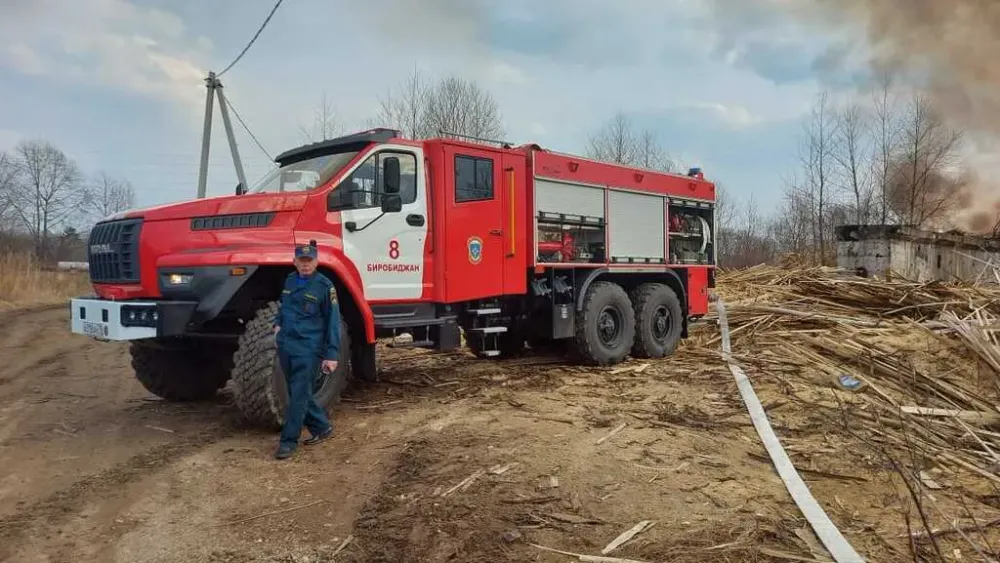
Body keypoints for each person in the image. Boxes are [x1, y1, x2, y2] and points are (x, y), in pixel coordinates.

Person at [271, 240, 339, 460]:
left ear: (317, 262)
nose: (306, 265)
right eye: (302, 260)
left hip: (308, 349)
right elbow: (284, 305)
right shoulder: (290, 281)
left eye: (309, 261)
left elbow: (332, 322)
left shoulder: (324, 286)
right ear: (295, 262)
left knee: (297, 396)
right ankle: (322, 427)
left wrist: (331, 354)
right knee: (297, 392)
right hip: (286, 345)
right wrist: (277, 323)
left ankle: (288, 442)